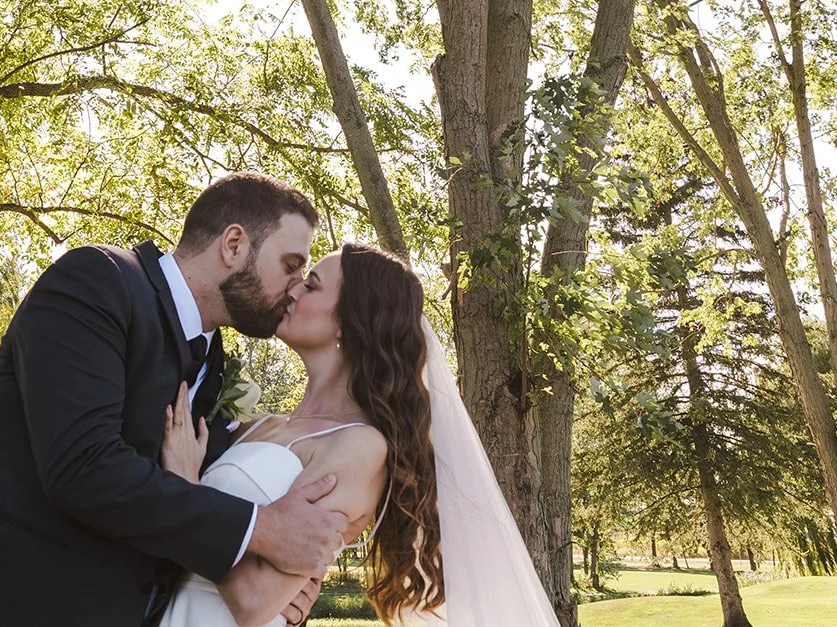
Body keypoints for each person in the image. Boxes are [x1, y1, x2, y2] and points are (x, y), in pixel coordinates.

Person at [0, 172, 348, 627]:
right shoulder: (97, 282)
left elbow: (177, 518)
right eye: (291, 265)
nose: (296, 288)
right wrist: (266, 531)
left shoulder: (215, 367)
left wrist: (277, 590)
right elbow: (83, 467)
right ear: (234, 243)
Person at [158, 243, 561, 627]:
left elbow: (253, 603)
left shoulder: (359, 448)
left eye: (312, 284)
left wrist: (184, 491)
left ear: (352, 323)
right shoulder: (254, 425)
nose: (292, 287)